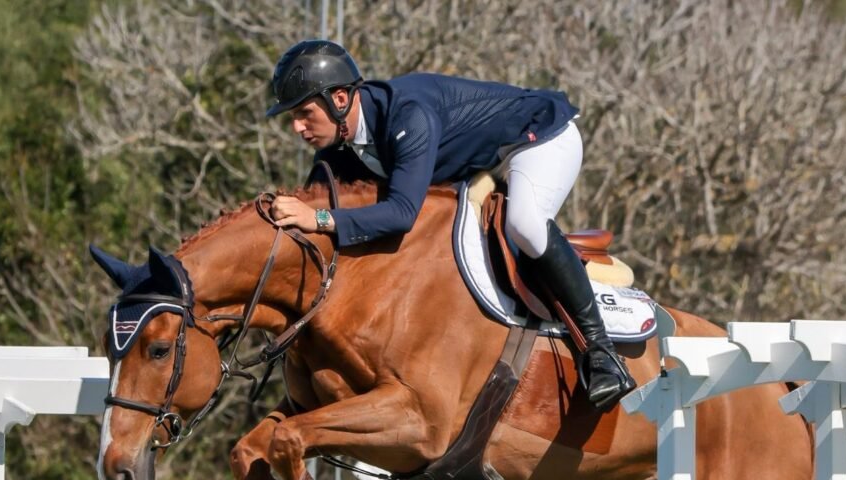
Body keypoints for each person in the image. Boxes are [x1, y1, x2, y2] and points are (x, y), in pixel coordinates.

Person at [265, 40, 635, 411]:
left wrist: (320, 219)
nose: (297, 127)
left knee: (525, 224)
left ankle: (600, 351)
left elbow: (401, 214)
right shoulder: (337, 148)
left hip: (536, 139)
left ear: (340, 99)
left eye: (304, 113)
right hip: (482, 162)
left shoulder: (406, 116)